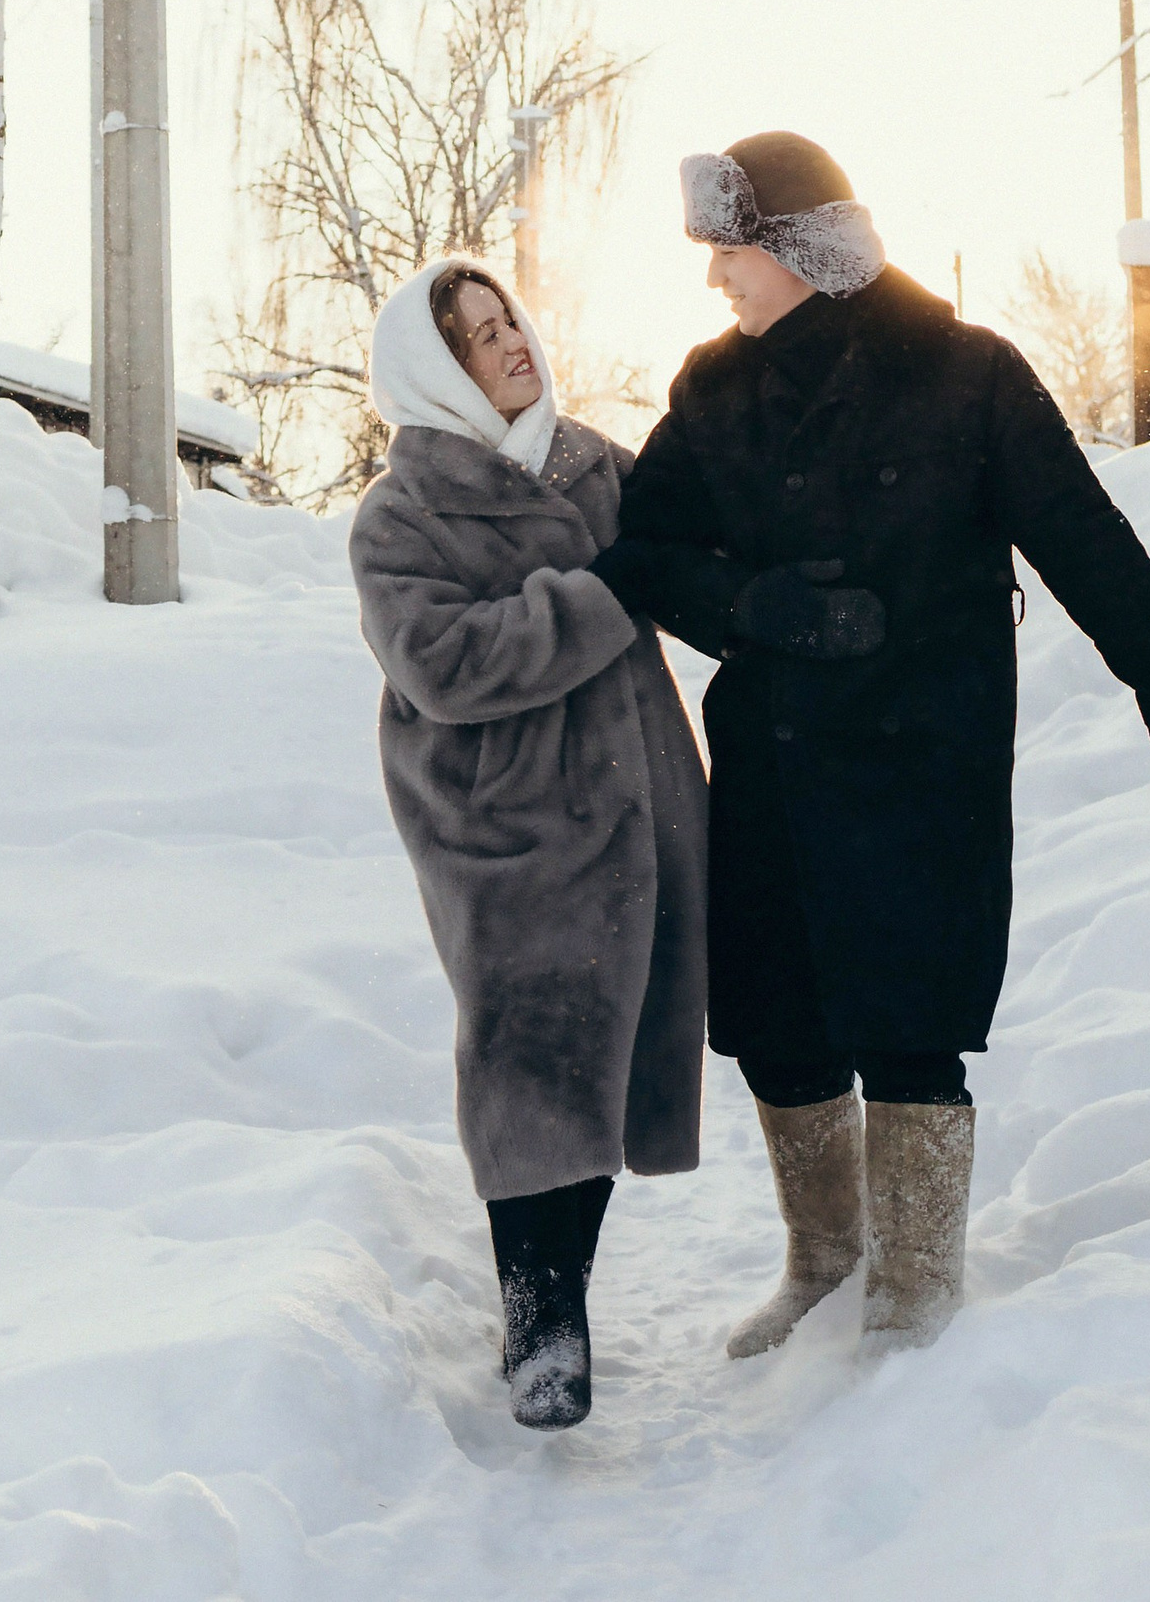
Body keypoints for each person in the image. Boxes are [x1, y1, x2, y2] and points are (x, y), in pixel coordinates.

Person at [595, 132, 1150, 1356]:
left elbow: (1086, 540)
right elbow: (645, 546)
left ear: (795, 247)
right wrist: (750, 607)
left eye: (729, 252)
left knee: (906, 1020)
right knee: (775, 1023)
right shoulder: (710, 387)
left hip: (917, 765)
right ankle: (825, 1265)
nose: (715, 279)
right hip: (774, 764)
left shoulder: (965, 370)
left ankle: (912, 1293)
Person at [348, 258, 709, 1431]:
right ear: (429, 371)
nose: (510, 344)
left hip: (634, 802)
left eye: (508, 321)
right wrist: (602, 595)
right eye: (475, 336)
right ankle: (539, 1315)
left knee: (608, 1060)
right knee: (528, 1056)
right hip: (499, 820)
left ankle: (568, 1298)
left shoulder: (594, 460)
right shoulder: (401, 511)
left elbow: (697, 554)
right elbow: (441, 664)